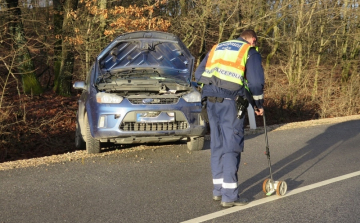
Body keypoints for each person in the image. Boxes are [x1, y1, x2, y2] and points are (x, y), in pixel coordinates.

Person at [195, 30, 265, 208]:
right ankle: (230, 196)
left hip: (210, 100)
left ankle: (218, 191)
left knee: (217, 144)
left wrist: (212, 87)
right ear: (253, 40)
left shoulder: (216, 48)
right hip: (230, 102)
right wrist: (258, 104)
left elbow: (198, 74)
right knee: (231, 145)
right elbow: (256, 83)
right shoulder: (249, 51)